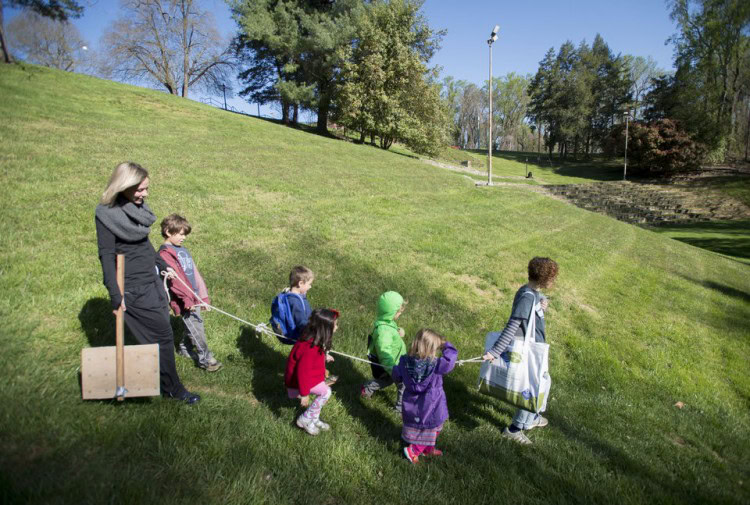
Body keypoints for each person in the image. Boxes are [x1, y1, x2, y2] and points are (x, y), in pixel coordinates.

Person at [95, 162, 200, 404]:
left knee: (159, 335)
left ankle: (164, 383)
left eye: (147, 188)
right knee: (161, 336)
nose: (145, 194)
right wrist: (115, 294)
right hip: (132, 286)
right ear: (124, 186)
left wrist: (162, 265)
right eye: (140, 189)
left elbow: (143, 245)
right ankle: (173, 389)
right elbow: (106, 255)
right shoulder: (107, 215)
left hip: (151, 280)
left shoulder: (136, 210)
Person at [483, 257, 559, 444]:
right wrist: (495, 352)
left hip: (534, 347)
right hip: (527, 350)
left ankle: (532, 418)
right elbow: (513, 326)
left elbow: (532, 308)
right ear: (545, 280)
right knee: (531, 387)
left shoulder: (530, 292)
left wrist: (542, 304)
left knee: (544, 381)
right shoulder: (527, 297)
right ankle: (514, 429)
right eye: (553, 278)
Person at [158, 214, 222, 372]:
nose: (184, 237)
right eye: (180, 234)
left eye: (185, 234)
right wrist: (188, 300)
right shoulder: (165, 254)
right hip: (184, 298)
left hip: (194, 296)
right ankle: (206, 359)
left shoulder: (183, 251)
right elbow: (175, 281)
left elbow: (195, 274)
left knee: (194, 325)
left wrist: (203, 297)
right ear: (168, 232)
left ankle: (185, 349)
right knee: (196, 326)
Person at [392, 329, 457, 464]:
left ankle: (428, 449)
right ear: (433, 348)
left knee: (423, 427)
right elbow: (450, 361)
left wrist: (398, 375)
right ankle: (414, 451)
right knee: (432, 427)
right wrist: (447, 346)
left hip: (412, 403)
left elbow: (397, 375)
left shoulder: (405, 362)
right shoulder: (437, 365)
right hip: (432, 405)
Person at [285, 308, 338, 436]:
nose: (337, 327)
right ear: (326, 328)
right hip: (298, 383)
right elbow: (302, 372)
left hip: (308, 379)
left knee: (325, 391)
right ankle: (306, 419)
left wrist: (324, 357)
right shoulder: (310, 347)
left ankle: (313, 418)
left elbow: (310, 359)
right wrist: (304, 393)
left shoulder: (313, 340)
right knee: (326, 392)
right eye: (335, 324)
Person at [360, 291, 407, 412]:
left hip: (396, 362)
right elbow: (384, 352)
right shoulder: (383, 332)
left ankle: (368, 388)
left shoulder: (386, 322)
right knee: (403, 385)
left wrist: (399, 330)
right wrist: (393, 369)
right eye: (399, 312)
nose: (400, 313)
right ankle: (399, 410)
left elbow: (391, 327)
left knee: (385, 381)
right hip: (392, 364)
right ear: (391, 312)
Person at [270, 266, 314, 344]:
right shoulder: (295, 302)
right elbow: (301, 322)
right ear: (300, 283)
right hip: (296, 335)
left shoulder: (287, 293)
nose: (310, 287)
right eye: (309, 284)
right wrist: (313, 332)